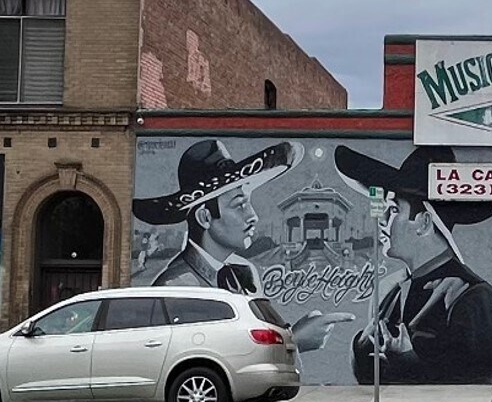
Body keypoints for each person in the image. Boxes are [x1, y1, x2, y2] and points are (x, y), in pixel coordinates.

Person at [133, 139, 353, 352]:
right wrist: (294, 342)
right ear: (205, 218)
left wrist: (293, 335)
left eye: (249, 202)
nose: (253, 216)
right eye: (239, 205)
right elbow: (211, 355)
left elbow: (258, 339)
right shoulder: (178, 288)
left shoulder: (245, 271)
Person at [334, 145, 492, 384]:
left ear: (424, 223)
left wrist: (409, 361)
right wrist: (363, 346)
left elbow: (480, 379)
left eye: (393, 210)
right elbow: (367, 377)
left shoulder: (473, 297)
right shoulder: (387, 290)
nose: (382, 220)